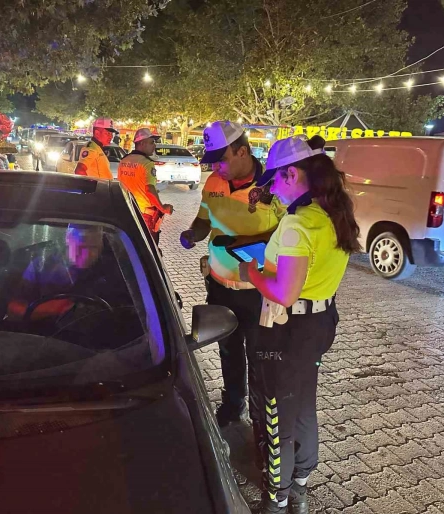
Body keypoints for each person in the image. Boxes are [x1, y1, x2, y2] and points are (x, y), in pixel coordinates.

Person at [238, 136, 361, 514]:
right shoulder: (331, 213)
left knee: (278, 416)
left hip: (288, 331)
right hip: (320, 323)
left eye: (275, 179)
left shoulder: (297, 222)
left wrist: (252, 273)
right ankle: (300, 489)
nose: (272, 188)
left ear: (292, 174)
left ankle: (276, 499)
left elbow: (284, 293)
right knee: (304, 404)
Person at [179, 120, 285, 430]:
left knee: (260, 354)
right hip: (219, 284)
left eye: (221, 160)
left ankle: (261, 417)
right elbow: (203, 220)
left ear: (242, 152)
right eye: (212, 162)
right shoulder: (214, 182)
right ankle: (233, 404)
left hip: (259, 290)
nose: (216, 168)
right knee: (228, 349)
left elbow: (288, 234)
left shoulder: (274, 186)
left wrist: (244, 243)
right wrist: (192, 233)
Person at [7, 224, 129, 321]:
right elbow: (14, 310)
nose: (87, 254)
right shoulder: (42, 265)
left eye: (93, 247)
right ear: (68, 240)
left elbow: (130, 311)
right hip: (46, 336)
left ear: (101, 244)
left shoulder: (117, 269)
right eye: (80, 246)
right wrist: (52, 308)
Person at [118, 128, 174, 245]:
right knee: (148, 248)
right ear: (142, 143)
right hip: (145, 215)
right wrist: (162, 208)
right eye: (151, 142)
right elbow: (149, 190)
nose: (154, 145)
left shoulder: (124, 161)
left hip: (126, 211)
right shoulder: (147, 163)